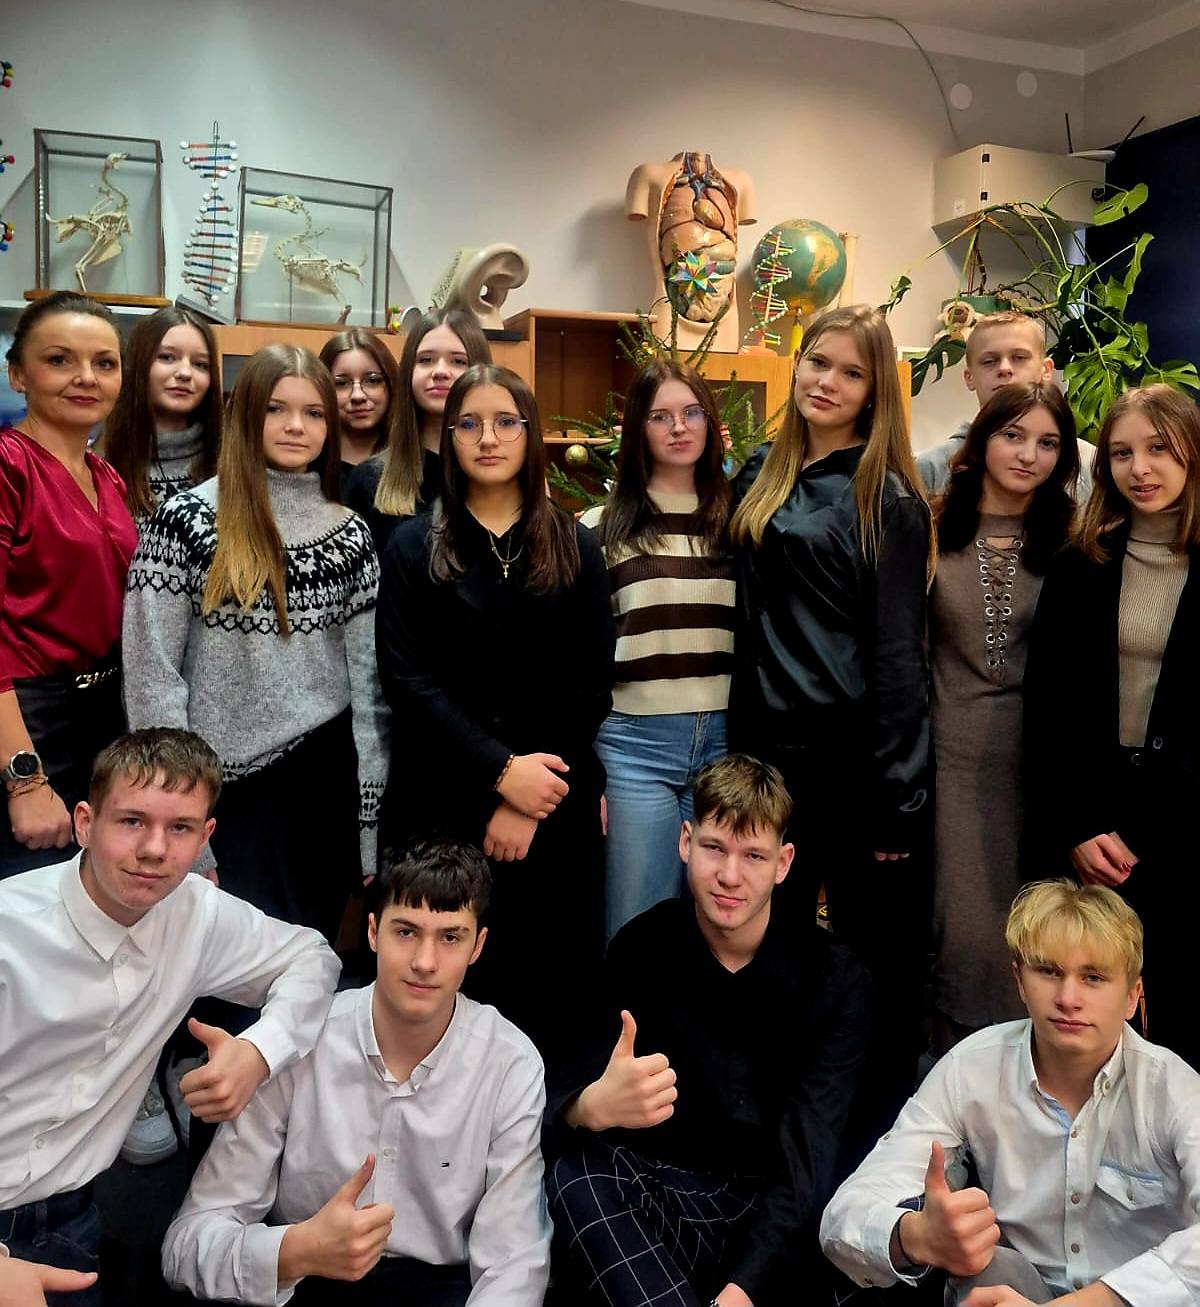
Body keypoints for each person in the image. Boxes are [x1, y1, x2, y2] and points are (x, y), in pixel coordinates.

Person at [0, 729, 340, 1305]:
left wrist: (259, 1052)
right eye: (131, 821)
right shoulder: (11, 929)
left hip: (72, 1219)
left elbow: (312, 958)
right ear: (84, 823)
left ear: (205, 837)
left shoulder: (195, 914)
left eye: (180, 828)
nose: (155, 849)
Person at [162, 839, 551, 1307]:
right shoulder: (301, 1038)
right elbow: (186, 1246)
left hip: (442, 1287)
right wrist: (295, 1251)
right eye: (405, 932)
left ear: (478, 946)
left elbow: (512, 1264)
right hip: (302, 1277)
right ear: (372, 932)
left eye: (450, 937)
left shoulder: (510, 1063)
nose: (425, 962)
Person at [548, 754, 872, 1307]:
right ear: (685, 842)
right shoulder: (641, 947)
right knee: (576, 1177)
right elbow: (564, 1096)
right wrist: (590, 1107)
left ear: (784, 863)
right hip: (673, 1204)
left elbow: (809, 1164)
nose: (729, 876)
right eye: (714, 848)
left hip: (780, 1220)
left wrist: (744, 1289)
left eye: (753, 856)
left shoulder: (835, 979)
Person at [728, 303, 932, 1141]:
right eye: (819, 362)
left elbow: (897, 656)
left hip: (851, 762)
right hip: (765, 757)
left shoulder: (886, 497)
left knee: (867, 966)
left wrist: (898, 797)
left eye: (852, 372)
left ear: (875, 391)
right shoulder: (761, 473)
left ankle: (873, 1147)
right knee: (766, 948)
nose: (828, 382)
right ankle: (771, 1134)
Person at [376, 363, 614, 1062]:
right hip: (445, 800)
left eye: (506, 421)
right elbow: (409, 683)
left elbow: (591, 685)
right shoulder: (415, 546)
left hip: (553, 803)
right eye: (470, 424)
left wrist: (529, 795)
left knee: (551, 989)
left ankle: (544, 1123)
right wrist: (501, 774)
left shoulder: (575, 544)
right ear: (448, 438)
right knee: (451, 990)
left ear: (530, 433)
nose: (488, 438)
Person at [820, 879, 1200, 1307]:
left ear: (1132, 997)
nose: (1068, 998)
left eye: (1093, 977)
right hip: (1015, 1293)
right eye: (1049, 972)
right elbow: (843, 1218)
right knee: (987, 1266)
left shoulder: (1173, 1088)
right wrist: (916, 1236)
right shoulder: (972, 1067)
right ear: (1020, 980)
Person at [123, 343, 388, 943]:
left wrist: (369, 827)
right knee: (213, 972)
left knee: (306, 966)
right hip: (219, 790)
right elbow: (152, 677)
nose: (296, 427)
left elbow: (370, 692)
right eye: (276, 409)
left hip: (323, 784)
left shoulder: (350, 534)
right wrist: (178, 818)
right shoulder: (184, 521)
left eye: (313, 412)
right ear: (245, 415)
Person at [1024, 383, 1200, 1070]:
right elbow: (1048, 709)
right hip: (1091, 817)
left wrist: (1144, 832)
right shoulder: (1082, 562)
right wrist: (1079, 824)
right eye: (1122, 453)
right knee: (1086, 1020)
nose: (1139, 468)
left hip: (1182, 821)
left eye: (1159, 449)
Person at [928, 382, 1079, 1053]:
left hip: (1039, 768)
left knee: (1037, 931)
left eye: (1048, 443)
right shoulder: (931, 530)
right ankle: (958, 1079)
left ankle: (1036, 1075)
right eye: (1013, 436)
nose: (1028, 455)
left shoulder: (1074, 542)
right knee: (960, 933)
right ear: (982, 440)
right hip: (949, 764)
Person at [580, 360, 734, 939]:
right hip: (633, 748)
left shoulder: (739, 522)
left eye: (692, 413)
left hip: (724, 742)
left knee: (716, 923)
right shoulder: (599, 528)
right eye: (660, 416)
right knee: (637, 926)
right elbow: (579, 654)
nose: (678, 428)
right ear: (638, 430)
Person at [0, 291, 137, 880]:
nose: (86, 377)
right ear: (17, 375)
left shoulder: (106, 476)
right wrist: (23, 778)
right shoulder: (8, 466)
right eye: (59, 360)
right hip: (28, 720)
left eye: (104, 363)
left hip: (103, 714)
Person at [345, 307, 491, 557]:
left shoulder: (504, 472)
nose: (440, 371)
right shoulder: (369, 480)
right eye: (426, 360)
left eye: (458, 361)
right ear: (408, 372)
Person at [916, 311, 1094, 499]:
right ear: (969, 377)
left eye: (1019, 358)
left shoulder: (1089, 463)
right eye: (989, 361)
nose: (1004, 369)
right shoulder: (932, 469)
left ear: (1046, 370)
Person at [99, 304, 222, 519]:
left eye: (200, 364)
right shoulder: (99, 463)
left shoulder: (229, 462)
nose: (185, 373)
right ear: (138, 364)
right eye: (167, 357)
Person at [317, 328, 399, 494]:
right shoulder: (308, 460)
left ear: (392, 384)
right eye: (341, 383)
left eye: (372, 380)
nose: (358, 396)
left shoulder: (413, 459)